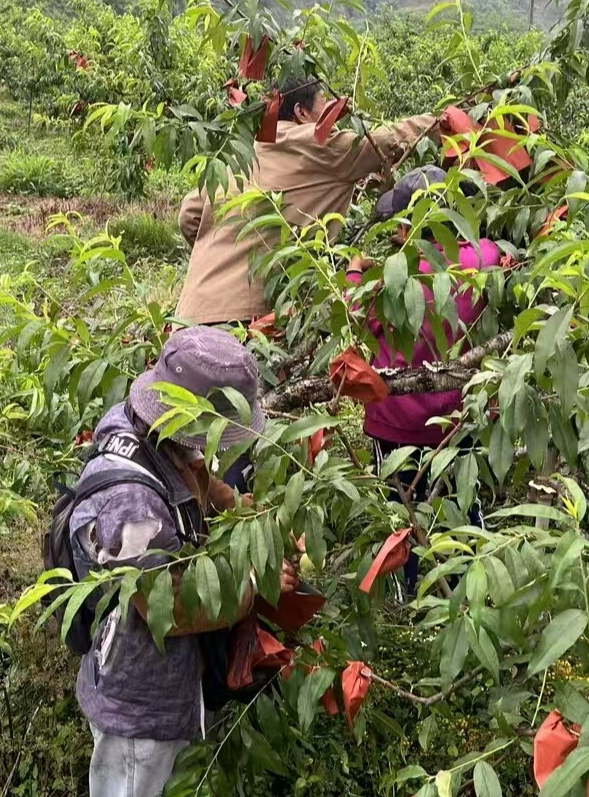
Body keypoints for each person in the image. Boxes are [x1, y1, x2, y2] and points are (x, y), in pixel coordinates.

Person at [69, 326, 297, 797]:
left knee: (203, 795)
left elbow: (202, 482)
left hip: (180, 687)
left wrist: (254, 522)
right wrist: (257, 583)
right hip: (138, 696)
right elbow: (172, 608)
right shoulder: (127, 499)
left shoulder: (153, 430)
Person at [176, 77, 438, 490]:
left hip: (188, 320)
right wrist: (451, 118)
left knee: (187, 445)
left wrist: (223, 252)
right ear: (301, 113)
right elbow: (390, 140)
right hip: (247, 326)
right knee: (243, 445)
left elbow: (190, 214)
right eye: (329, 107)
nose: (338, 118)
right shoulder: (318, 144)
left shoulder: (240, 151)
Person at [349, 166, 501, 593]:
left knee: (403, 515)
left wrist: (355, 271)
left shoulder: (386, 282)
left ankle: (411, 597)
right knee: (461, 502)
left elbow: (351, 315)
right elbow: (491, 253)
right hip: (456, 420)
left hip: (395, 423)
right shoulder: (483, 259)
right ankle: (470, 585)